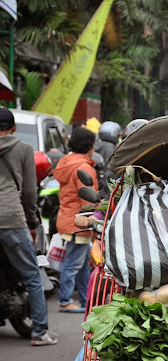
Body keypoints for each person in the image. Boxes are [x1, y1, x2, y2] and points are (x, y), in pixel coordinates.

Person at [0, 107, 57, 346]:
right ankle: (40, 332)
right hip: (11, 218)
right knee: (33, 275)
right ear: (13, 128)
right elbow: (30, 192)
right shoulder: (23, 149)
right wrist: (32, 218)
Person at [54, 126, 98, 313]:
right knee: (73, 263)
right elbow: (88, 200)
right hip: (78, 222)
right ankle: (65, 300)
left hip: (66, 217)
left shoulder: (66, 162)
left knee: (81, 264)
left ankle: (86, 300)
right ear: (89, 145)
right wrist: (94, 221)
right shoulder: (83, 167)